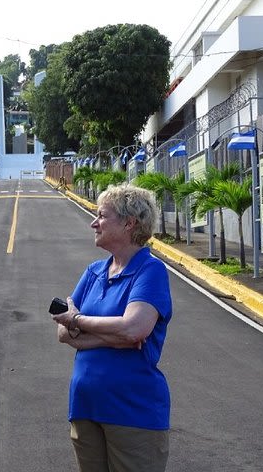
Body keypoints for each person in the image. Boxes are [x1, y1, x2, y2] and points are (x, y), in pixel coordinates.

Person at [52, 183, 173, 472]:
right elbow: (62, 334)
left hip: (132, 410)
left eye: (102, 216)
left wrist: (78, 321)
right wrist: (115, 337)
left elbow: (134, 329)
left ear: (130, 223)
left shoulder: (150, 270)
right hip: (85, 406)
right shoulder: (93, 271)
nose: (94, 223)